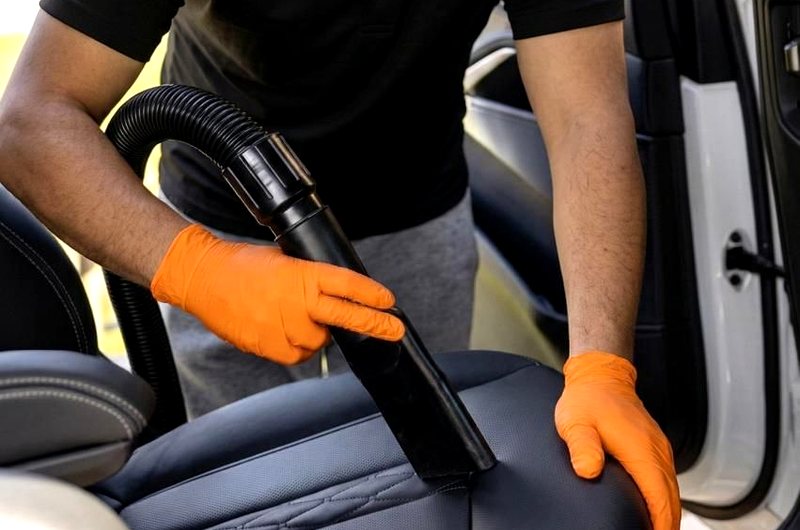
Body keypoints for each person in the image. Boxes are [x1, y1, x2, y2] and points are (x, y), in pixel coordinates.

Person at [0, 1, 680, 529]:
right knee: (258, 489)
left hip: (418, 208)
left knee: (436, 474)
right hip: (227, 233)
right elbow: (33, 119)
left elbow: (587, 118)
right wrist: (196, 268)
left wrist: (602, 365)